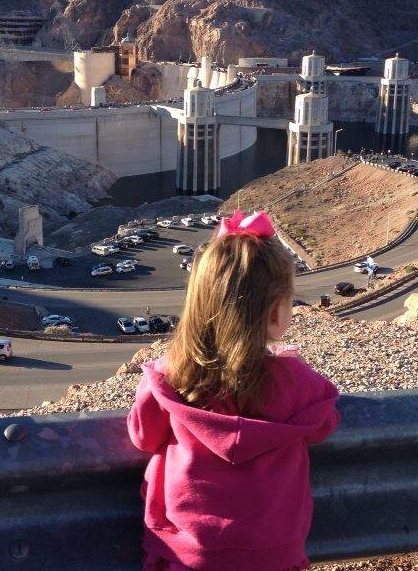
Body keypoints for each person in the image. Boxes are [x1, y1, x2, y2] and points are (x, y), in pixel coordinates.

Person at [127, 210, 340, 571]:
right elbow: (323, 424)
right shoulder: (296, 379)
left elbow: (143, 437)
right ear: (276, 313)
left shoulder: (171, 375)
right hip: (272, 553)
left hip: (187, 553)